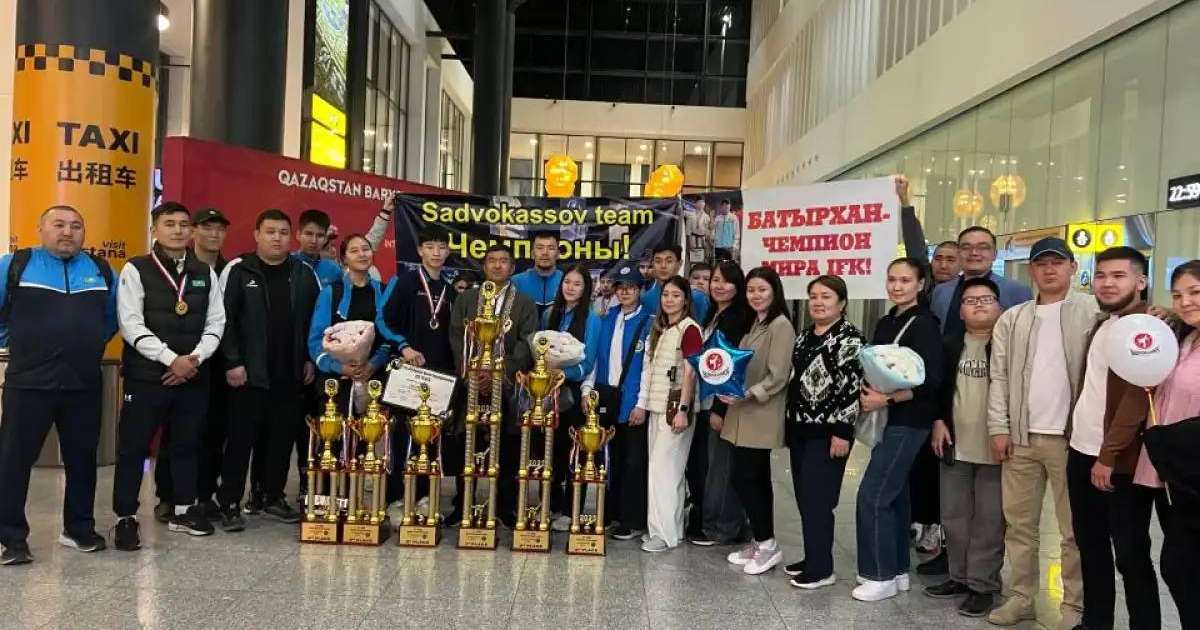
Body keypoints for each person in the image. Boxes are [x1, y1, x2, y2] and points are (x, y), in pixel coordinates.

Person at [0, 206, 117, 565]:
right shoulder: (15, 264)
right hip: (28, 382)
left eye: (76, 226)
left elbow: (110, 319)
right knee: (14, 461)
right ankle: (11, 538)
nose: (68, 232)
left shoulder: (99, 269)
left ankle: (79, 529)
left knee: (82, 460)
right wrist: (17, 341)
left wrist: (87, 344)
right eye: (59, 225)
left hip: (83, 383)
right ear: (41, 228)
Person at [985, 236, 1090, 628]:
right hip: (1021, 438)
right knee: (1020, 526)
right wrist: (999, 427)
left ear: (1071, 267)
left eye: (1057, 263)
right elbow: (998, 378)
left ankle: (1074, 606)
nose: (1049, 269)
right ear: (1031, 270)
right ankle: (1021, 597)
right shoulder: (1013, 319)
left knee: (1073, 530)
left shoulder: (1092, 313)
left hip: (1071, 440)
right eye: (1041, 263)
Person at [112, 203, 226, 550]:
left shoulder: (203, 271)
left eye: (183, 225)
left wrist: (193, 360)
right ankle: (125, 517)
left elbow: (216, 322)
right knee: (134, 447)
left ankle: (183, 508)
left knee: (187, 444)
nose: (177, 230)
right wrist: (170, 359)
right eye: (169, 224)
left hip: (192, 374)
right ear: (154, 230)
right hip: (147, 377)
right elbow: (130, 324)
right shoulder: (137, 268)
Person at [1067, 246, 1166, 630]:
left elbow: (1137, 398)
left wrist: (1108, 456)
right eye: (1102, 275)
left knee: (1130, 552)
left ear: (1140, 282)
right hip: (1080, 451)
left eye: (1119, 276)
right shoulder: (1102, 323)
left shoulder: (1148, 328)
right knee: (1090, 547)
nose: (1108, 283)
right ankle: (1096, 622)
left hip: (1119, 462)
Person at [215, 209, 320, 531]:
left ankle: (272, 496)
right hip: (248, 375)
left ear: (292, 238)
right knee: (240, 441)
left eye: (283, 232)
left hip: (289, 374)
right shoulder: (238, 269)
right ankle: (229, 501)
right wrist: (233, 362)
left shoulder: (303, 273)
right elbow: (223, 320)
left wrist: (308, 359)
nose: (277, 238)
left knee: (280, 440)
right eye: (271, 232)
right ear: (257, 235)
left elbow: (314, 324)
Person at [852, 257, 944, 602]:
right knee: (896, 495)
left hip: (909, 421)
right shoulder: (888, 321)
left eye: (905, 280)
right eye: (892, 279)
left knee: (872, 496)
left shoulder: (924, 325)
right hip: (888, 420)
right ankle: (899, 570)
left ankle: (879, 575)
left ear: (921, 284)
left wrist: (885, 400)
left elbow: (931, 381)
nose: (897, 286)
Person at [924, 277, 1004, 617]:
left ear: (999, 306)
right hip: (956, 443)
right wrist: (939, 421)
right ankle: (958, 576)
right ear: (960, 309)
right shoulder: (950, 344)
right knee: (955, 517)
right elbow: (939, 390)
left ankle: (983, 585)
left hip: (995, 448)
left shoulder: (1007, 343)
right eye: (971, 301)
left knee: (989, 520)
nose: (979, 305)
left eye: (986, 299)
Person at [782, 275, 863, 589]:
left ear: (841, 303)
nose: (818, 302)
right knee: (804, 497)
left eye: (826, 296)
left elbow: (852, 389)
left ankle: (821, 568)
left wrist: (843, 430)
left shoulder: (849, 339)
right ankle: (813, 555)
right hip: (801, 429)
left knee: (819, 499)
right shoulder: (804, 337)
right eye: (813, 296)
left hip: (829, 433)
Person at [448, 244, 538, 527]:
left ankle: (506, 506)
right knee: (467, 443)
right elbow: (456, 338)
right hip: (471, 383)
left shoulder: (524, 302)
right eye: (492, 260)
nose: (498, 265)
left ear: (513, 268)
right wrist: (473, 373)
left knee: (508, 447)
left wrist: (500, 373)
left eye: (503, 261)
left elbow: (527, 343)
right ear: (484, 266)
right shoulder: (467, 299)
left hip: (507, 385)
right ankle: (463, 504)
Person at [153, 207, 230, 522]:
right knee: (175, 433)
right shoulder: (169, 268)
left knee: (212, 432)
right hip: (177, 363)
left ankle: (204, 494)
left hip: (216, 364)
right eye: (206, 228)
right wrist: (179, 360)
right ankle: (168, 496)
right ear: (193, 232)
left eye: (219, 229)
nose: (213, 235)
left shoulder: (231, 269)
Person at [1135, 260, 1200, 629]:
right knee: (1178, 566)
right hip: (1170, 469)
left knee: (1184, 565)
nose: (1185, 301)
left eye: (1195, 292)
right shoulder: (1183, 337)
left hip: (1193, 471)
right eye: (1178, 295)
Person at [378, 225, 459, 521]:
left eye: (441, 247)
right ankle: (396, 498)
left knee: (431, 439)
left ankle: (425, 497)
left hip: (437, 378)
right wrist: (404, 347)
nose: (436, 253)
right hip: (408, 374)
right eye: (430, 247)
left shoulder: (450, 291)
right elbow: (383, 320)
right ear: (420, 251)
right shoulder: (405, 282)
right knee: (402, 438)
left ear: (448, 252)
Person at [720, 267, 796, 575]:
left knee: (752, 478)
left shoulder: (781, 326)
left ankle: (768, 545)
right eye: (751, 290)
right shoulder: (755, 323)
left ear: (775, 291)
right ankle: (761, 540)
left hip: (760, 412)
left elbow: (778, 375)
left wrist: (748, 394)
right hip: (741, 410)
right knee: (746, 478)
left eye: (762, 289)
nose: (756, 295)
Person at [634, 276, 702, 552]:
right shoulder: (661, 327)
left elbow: (690, 372)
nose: (670, 300)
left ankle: (665, 535)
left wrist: (683, 409)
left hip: (675, 409)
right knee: (661, 470)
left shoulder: (690, 329)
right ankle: (666, 530)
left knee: (666, 471)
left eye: (676, 295)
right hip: (656, 407)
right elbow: (649, 369)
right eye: (666, 295)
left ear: (686, 299)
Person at [687, 261, 753, 547]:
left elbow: (734, 369)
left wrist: (720, 410)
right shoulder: (714, 314)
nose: (718, 286)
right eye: (715, 280)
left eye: (726, 281)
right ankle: (712, 521)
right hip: (705, 400)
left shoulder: (739, 318)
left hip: (723, 403)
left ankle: (725, 528)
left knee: (722, 467)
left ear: (737, 287)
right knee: (710, 465)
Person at [585, 263, 652, 541]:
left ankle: (632, 519)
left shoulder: (649, 321)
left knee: (633, 462)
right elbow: (594, 359)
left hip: (633, 401)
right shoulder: (606, 318)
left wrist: (642, 403)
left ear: (640, 290)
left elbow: (649, 366)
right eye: (621, 288)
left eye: (631, 288)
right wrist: (587, 390)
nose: (625, 293)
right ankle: (610, 513)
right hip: (606, 398)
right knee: (608, 461)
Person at [537, 264, 601, 531]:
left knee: (574, 453)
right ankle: (547, 505)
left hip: (573, 394)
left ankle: (569, 509)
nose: (571, 288)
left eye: (577, 284)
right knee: (548, 450)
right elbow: (539, 349)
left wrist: (564, 372)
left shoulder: (592, 319)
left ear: (586, 289)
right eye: (567, 282)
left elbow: (589, 362)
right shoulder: (551, 313)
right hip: (547, 393)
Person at [308, 234, 391, 396]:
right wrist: (339, 367)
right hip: (335, 383)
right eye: (354, 251)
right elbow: (316, 340)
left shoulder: (385, 291)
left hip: (374, 379)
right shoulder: (330, 293)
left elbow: (390, 336)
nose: (362, 254)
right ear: (344, 259)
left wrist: (374, 364)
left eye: (366, 249)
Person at [642, 242, 710, 323]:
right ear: (652, 264)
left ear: (679, 264)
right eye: (658, 261)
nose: (663, 266)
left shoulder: (695, 297)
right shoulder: (646, 298)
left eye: (669, 261)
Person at [511, 230, 563, 318]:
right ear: (532, 254)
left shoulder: (567, 281)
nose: (545, 252)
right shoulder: (515, 282)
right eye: (539, 248)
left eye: (551, 248)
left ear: (558, 254)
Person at [292, 209, 342, 289]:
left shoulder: (334, 270)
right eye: (309, 234)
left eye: (320, 235)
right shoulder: (285, 265)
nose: (314, 240)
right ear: (298, 235)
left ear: (325, 238)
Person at [686, 197, 712, 264]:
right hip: (693, 238)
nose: (701, 204)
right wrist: (689, 242)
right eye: (699, 202)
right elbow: (688, 230)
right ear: (696, 204)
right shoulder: (690, 214)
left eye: (703, 202)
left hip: (703, 239)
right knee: (693, 260)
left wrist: (708, 241)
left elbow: (708, 230)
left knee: (702, 260)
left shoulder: (707, 216)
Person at [712, 199, 740, 263]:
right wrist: (713, 238)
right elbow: (714, 230)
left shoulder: (734, 218)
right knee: (718, 264)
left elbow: (737, 233)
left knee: (727, 265)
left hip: (729, 247)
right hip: (718, 246)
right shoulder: (717, 218)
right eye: (724, 207)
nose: (726, 209)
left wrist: (734, 245)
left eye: (728, 207)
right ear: (721, 207)